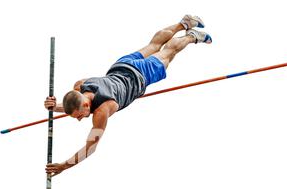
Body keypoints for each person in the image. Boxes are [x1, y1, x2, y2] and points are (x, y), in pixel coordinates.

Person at [44, 14, 212, 176]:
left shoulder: (102, 111)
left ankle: (191, 36)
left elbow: (90, 148)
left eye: (80, 116)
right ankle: (184, 23)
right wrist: (55, 107)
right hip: (121, 65)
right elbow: (73, 102)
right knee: (154, 45)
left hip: (141, 75)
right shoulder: (80, 85)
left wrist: (64, 166)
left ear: (87, 105)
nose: (80, 119)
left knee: (169, 51)